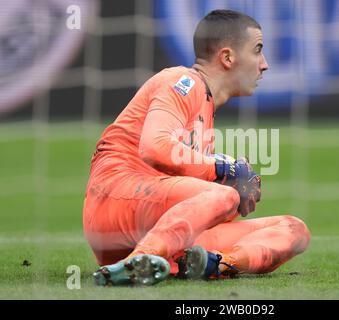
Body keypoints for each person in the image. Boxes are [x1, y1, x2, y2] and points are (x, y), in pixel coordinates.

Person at [83, 9, 310, 286]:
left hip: (155, 225)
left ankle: (213, 264)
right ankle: (141, 260)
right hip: (116, 202)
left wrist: (232, 185)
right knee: (222, 197)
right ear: (227, 57)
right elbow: (154, 148)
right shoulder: (182, 82)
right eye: (258, 50)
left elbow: (190, 204)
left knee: (293, 229)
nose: (264, 64)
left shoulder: (205, 110)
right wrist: (222, 169)